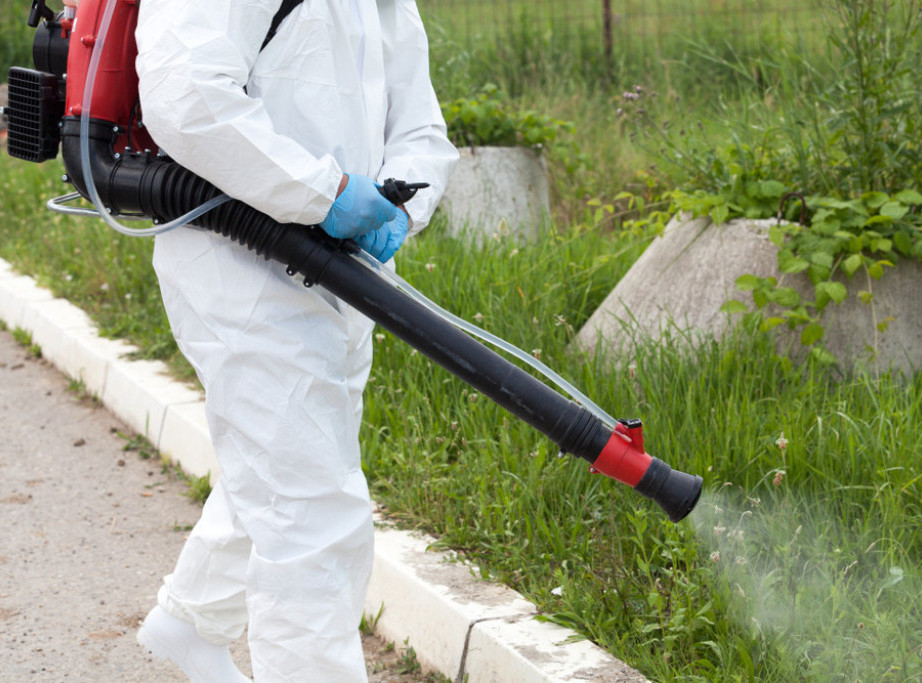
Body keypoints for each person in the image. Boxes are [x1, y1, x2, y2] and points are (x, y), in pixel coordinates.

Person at [132, 1, 458, 681]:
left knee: (294, 461)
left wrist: (400, 206)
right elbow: (184, 89)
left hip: (345, 275)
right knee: (313, 510)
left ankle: (190, 621)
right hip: (237, 265)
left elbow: (421, 123)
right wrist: (325, 192)